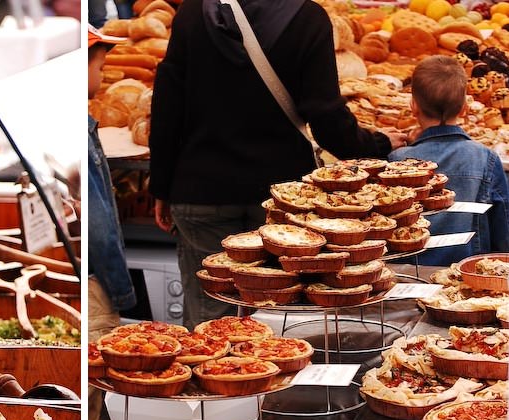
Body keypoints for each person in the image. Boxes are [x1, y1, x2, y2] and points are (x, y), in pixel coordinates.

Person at [148, 0, 406, 328]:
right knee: (286, 314)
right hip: (282, 200)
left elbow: (167, 105)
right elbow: (327, 117)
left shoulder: (194, 11)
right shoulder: (308, 18)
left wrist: (161, 184)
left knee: (209, 319)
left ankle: (211, 375)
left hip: (201, 189)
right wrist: (378, 145)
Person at [388, 55, 509, 267]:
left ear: (413, 106)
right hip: (468, 272)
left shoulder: (397, 161)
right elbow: (503, 228)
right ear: (464, 108)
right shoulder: (485, 158)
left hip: (408, 274)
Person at [88, 22, 137, 420]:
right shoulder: (79, 130)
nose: (102, 73)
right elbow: (99, 228)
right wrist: (119, 289)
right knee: (89, 389)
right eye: (99, 62)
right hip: (93, 284)